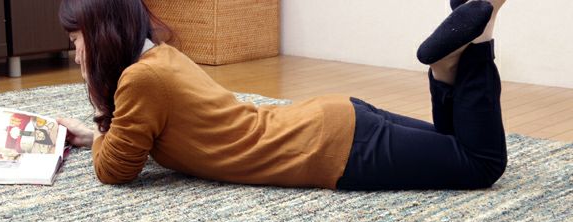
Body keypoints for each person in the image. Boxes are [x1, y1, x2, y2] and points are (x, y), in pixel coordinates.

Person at [58, 0, 508, 191]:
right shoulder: (162, 59)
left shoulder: (140, 82)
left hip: (332, 149)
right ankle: (453, 66)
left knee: (480, 164)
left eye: (77, 40)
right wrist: (94, 133)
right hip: (334, 121)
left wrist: (101, 110)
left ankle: (474, 46)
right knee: (455, 146)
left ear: (103, 35)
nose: (75, 53)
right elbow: (135, 135)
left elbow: (115, 169)